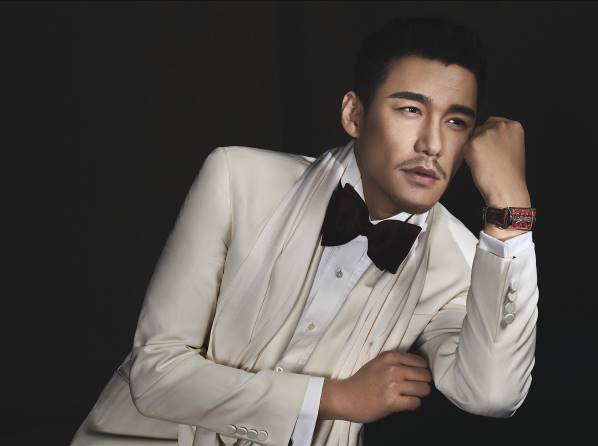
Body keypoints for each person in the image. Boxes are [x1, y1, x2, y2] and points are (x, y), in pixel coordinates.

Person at [70, 15, 538, 446]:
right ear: (354, 115)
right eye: (410, 110)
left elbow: (493, 394)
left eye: (455, 122)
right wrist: (334, 398)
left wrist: (510, 209)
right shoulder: (237, 180)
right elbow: (155, 374)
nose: (432, 144)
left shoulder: (463, 260)